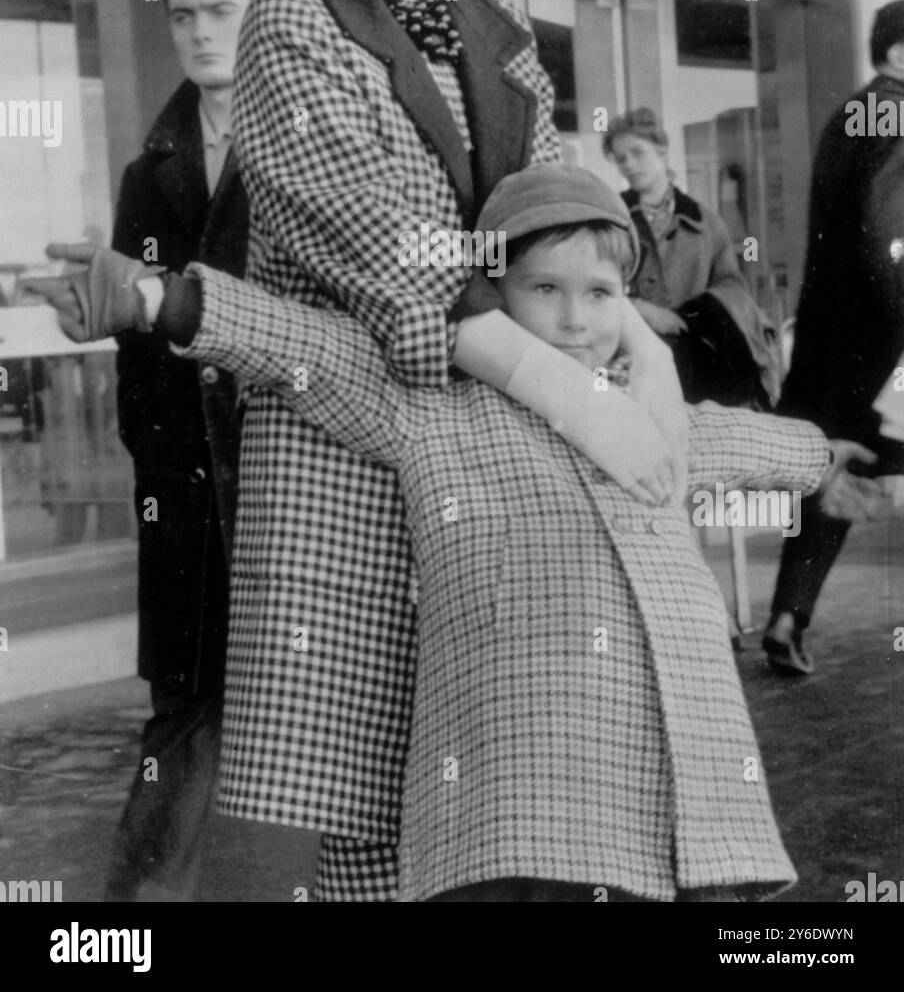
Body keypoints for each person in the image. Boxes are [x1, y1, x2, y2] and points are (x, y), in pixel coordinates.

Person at [31, 0, 686, 904]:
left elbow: (558, 231)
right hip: (344, 484)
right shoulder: (290, 29)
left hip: (482, 475)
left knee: (501, 815)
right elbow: (399, 266)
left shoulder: (495, 27)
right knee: (363, 840)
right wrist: (591, 398)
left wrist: (641, 357)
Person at [32, 164, 880, 901]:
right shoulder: (433, 407)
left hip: (680, 800)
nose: (577, 318)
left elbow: (749, 441)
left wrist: (827, 462)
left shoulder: (652, 422)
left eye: (601, 293)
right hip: (518, 811)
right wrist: (149, 297)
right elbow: (308, 347)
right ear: (492, 292)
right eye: (545, 289)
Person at [97, 0, 256, 900]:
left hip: (293, 473)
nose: (200, 32)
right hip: (190, 490)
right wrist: (163, 472)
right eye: (184, 16)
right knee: (186, 710)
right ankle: (130, 925)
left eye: (220, 12)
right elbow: (134, 342)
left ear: (259, 14)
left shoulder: (307, 144)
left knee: (351, 702)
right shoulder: (146, 176)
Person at [762, 1, 904, 675]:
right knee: (856, 469)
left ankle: (788, 615)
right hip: (886, 344)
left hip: (835, 340)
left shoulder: (849, 116)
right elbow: (889, 238)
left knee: (835, 473)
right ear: (899, 53)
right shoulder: (896, 114)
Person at [605, 107, 776, 408]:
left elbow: (733, 290)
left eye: (637, 152)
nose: (629, 164)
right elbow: (594, 286)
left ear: (661, 149)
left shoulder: (706, 223)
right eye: (621, 158)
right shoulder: (610, 220)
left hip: (698, 369)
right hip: (632, 366)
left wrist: (691, 317)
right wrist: (639, 307)